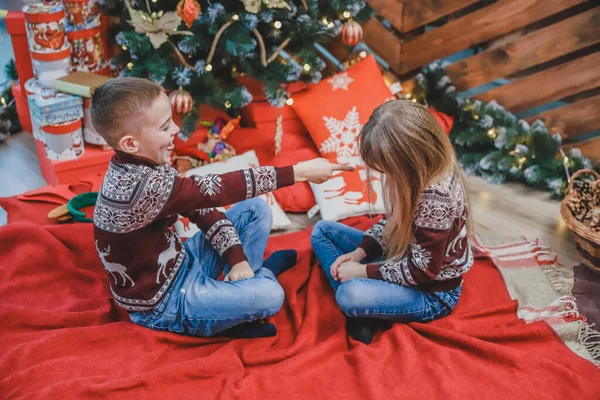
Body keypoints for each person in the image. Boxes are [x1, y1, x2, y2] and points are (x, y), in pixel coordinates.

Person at [91, 77, 353, 338]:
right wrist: (299, 172)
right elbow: (218, 188)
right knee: (272, 296)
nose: (175, 130)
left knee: (254, 209)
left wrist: (236, 258)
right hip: (164, 304)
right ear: (130, 144)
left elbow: (199, 205)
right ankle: (254, 286)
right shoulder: (139, 186)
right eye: (164, 127)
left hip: (182, 264)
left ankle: (241, 282)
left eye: (171, 120)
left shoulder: (145, 162)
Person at [311, 100, 473, 344]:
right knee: (322, 231)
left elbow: (423, 271)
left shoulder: (435, 198)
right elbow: (389, 224)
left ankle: (363, 310)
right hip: (401, 256)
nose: (384, 175)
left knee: (348, 294)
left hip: (431, 293)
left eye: (386, 168)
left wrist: (363, 271)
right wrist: (359, 252)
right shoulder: (413, 176)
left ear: (409, 160)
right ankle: (371, 305)